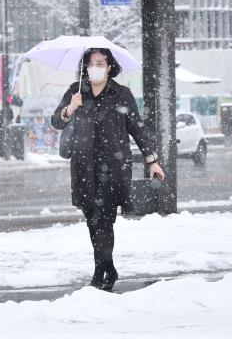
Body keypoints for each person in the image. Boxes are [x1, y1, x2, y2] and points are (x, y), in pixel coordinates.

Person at [51, 48, 165, 291]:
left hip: (113, 167)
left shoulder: (122, 94)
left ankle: (99, 272)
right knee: (93, 220)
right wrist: (70, 108)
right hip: (83, 167)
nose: (95, 67)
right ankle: (109, 266)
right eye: (91, 63)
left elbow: (137, 129)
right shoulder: (76, 91)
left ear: (110, 66)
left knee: (104, 219)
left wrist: (151, 160)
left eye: (100, 62)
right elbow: (56, 122)